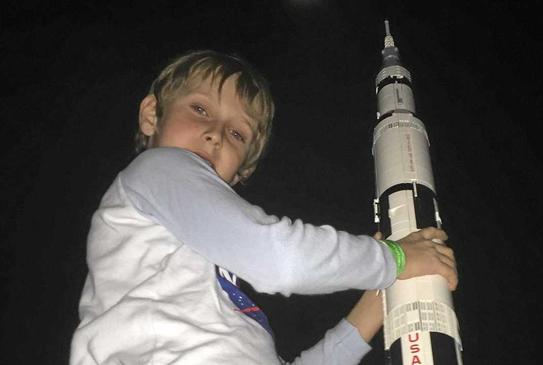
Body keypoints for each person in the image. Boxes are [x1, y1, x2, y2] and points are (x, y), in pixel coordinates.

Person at [69, 50, 457, 364]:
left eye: (237, 133)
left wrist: (379, 295)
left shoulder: (196, 276)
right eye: (200, 109)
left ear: (243, 170)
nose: (216, 134)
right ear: (153, 114)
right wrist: (392, 259)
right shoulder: (157, 170)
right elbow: (279, 259)